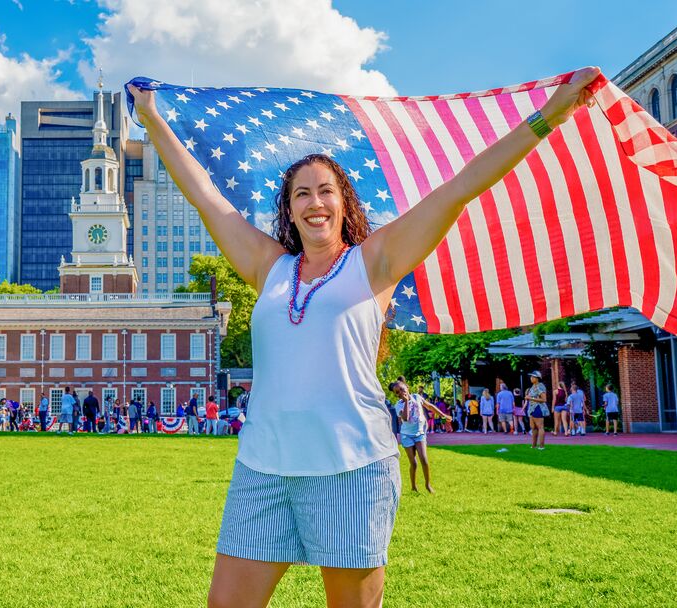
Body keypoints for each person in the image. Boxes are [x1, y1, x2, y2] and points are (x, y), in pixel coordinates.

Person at [128, 66, 599, 606]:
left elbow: (459, 188)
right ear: (289, 209)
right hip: (263, 469)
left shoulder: (373, 263)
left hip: (352, 469)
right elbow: (205, 195)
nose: (314, 203)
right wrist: (153, 120)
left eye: (325, 191)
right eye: (301, 194)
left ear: (342, 201)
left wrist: (548, 117)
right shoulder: (268, 266)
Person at [391, 380, 448, 493]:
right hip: (407, 436)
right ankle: (413, 486)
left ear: (407, 387)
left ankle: (427, 485)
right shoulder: (398, 405)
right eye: (397, 392)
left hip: (420, 434)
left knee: (424, 460)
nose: (401, 393)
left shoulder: (417, 397)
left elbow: (430, 406)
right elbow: (406, 418)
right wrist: (407, 401)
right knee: (414, 463)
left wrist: (443, 415)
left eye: (402, 389)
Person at [524, 371, 549, 449]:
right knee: (533, 427)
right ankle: (534, 445)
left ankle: (541, 446)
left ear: (537, 378)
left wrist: (530, 398)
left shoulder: (540, 386)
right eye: (531, 377)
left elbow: (544, 399)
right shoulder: (532, 386)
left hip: (538, 408)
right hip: (531, 409)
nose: (531, 378)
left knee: (540, 427)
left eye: (533, 377)